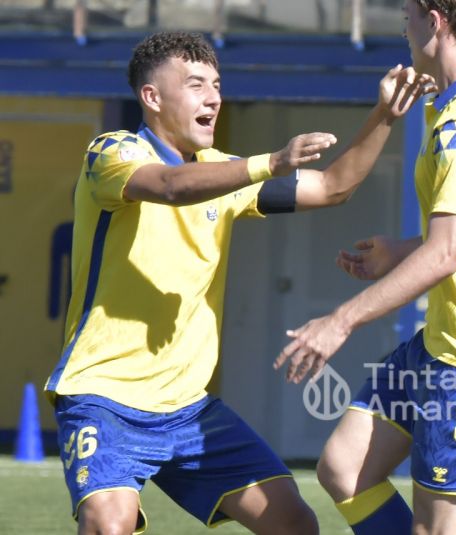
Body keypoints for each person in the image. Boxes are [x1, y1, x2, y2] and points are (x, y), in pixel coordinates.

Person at [44, 31, 433, 535]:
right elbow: (168, 187)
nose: (213, 97)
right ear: (152, 97)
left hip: (187, 408)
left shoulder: (223, 173)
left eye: (217, 84)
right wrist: (268, 162)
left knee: (294, 522)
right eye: (196, 84)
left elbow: (333, 186)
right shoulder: (111, 153)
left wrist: (385, 115)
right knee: (108, 521)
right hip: (103, 399)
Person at [274, 1, 456, 532]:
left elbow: (446, 253)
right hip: (443, 340)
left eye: (407, 17)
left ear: (435, 20)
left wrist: (339, 322)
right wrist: (401, 252)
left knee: (439, 527)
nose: (404, 30)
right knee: (345, 468)